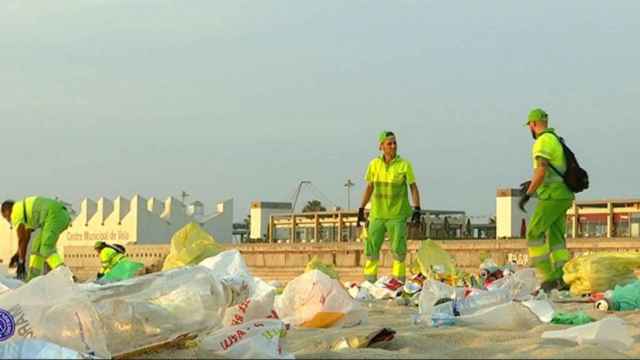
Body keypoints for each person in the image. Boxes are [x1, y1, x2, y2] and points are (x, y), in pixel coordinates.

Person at [519, 108, 574, 291]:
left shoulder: (542, 142)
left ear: (533, 124)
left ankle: (548, 278)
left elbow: (541, 170)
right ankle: (562, 277)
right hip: (564, 195)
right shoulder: (555, 140)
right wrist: (533, 183)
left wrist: (528, 194)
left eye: (530, 126)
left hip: (552, 195)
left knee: (534, 233)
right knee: (557, 237)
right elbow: (551, 171)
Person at [357, 131, 422, 283]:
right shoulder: (374, 165)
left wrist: (417, 209)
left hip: (397, 215)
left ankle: (399, 283)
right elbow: (369, 187)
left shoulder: (404, 165)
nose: (393, 146)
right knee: (371, 250)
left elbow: (413, 187)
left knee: (399, 251)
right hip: (377, 215)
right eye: (389, 143)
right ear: (381, 146)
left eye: (395, 143)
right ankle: (369, 283)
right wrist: (361, 209)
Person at [1, 196, 71, 281]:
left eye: (6, 217)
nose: (8, 220)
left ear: (7, 211)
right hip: (56, 215)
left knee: (46, 248)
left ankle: (65, 276)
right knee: (36, 247)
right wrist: (18, 254)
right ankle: (33, 279)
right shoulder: (24, 211)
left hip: (54, 215)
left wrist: (21, 262)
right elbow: (26, 237)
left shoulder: (15, 212)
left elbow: (22, 238)